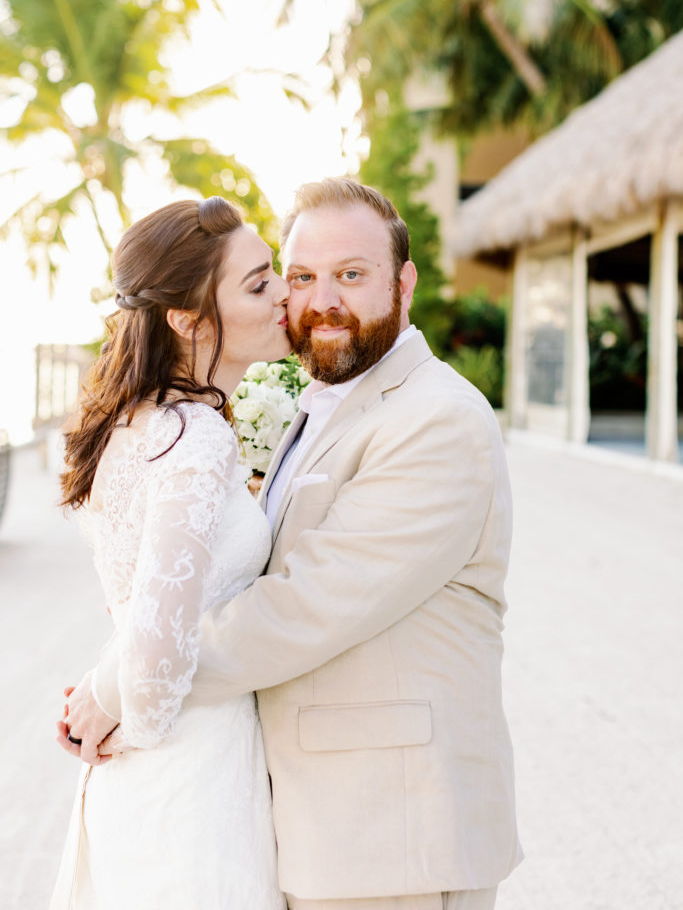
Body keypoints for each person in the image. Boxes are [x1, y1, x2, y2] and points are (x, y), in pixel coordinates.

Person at [63, 178, 522, 909]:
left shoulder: (437, 420)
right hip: (296, 822)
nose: (316, 299)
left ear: (403, 282)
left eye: (351, 274)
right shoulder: (310, 411)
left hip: (392, 835)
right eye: (300, 276)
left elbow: (302, 607)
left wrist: (117, 684)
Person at [51, 196, 290, 908]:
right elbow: (153, 666)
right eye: (256, 284)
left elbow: (137, 602)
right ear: (186, 319)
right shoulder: (196, 437)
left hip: (140, 778)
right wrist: (122, 700)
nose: (284, 292)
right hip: (193, 779)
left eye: (272, 271)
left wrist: (104, 691)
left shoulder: (135, 422)